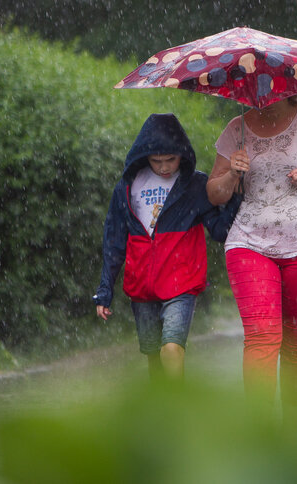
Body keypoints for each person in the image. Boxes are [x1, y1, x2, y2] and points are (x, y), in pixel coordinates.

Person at [206, 91, 297, 432]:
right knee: (262, 337)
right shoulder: (236, 129)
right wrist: (232, 175)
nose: (261, 91)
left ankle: (288, 432)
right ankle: (262, 436)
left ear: (287, 83)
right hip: (249, 244)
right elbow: (214, 194)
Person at [93, 113, 240, 380]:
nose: (164, 167)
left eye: (170, 159)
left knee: (171, 350)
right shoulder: (126, 188)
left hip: (181, 283)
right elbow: (114, 240)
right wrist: (104, 291)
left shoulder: (195, 185)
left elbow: (219, 231)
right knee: (153, 357)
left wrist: (235, 192)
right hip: (141, 284)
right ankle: (163, 411)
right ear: (143, 156)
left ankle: (178, 410)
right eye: (156, 161)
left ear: (182, 154)